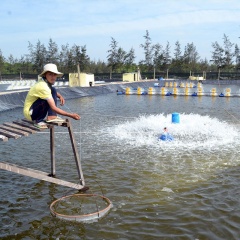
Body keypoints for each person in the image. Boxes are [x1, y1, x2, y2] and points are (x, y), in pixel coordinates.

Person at [23, 63, 80, 129]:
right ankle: (38, 121)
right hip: (30, 114)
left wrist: (60, 96)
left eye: (54, 75)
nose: (53, 77)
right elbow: (53, 107)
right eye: (50, 74)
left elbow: (51, 90)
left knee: (53, 89)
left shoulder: (44, 82)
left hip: (33, 109)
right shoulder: (42, 86)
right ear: (45, 75)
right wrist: (70, 115)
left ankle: (52, 116)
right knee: (46, 100)